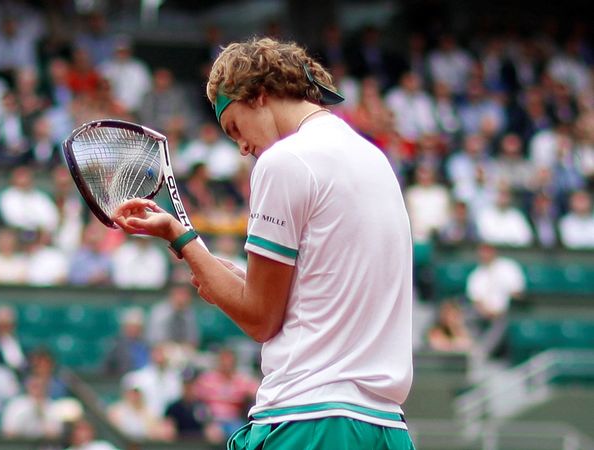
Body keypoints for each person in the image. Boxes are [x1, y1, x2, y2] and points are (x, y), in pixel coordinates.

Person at [114, 37, 415, 449]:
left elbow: (260, 317)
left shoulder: (284, 161)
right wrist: (220, 273)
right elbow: (315, 289)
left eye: (234, 127)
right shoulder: (374, 158)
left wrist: (181, 239)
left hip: (310, 422)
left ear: (257, 95)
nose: (241, 147)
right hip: (386, 429)